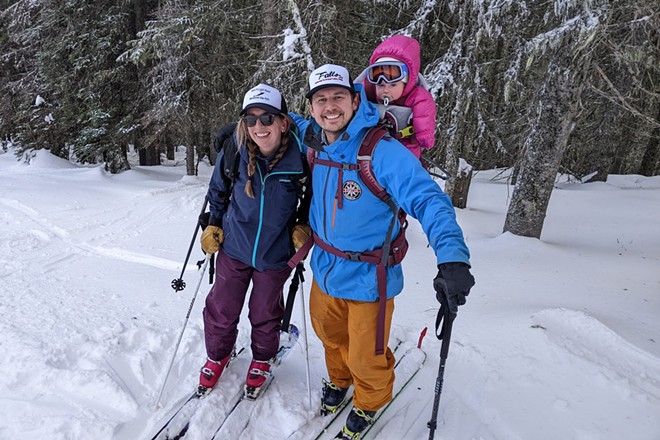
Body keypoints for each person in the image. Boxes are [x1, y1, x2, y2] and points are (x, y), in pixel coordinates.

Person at [292, 64, 474, 439]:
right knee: (329, 337)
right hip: (324, 269)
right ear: (311, 108)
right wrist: (237, 131)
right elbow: (278, 121)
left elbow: (428, 199)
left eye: (338, 97)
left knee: (366, 355)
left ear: (355, 100)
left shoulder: (380, 151)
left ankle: (370, 401)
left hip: (369, 279)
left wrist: (452, 257)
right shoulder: (314, 140)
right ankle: (340, 381)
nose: (330, 107)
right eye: (321, 99)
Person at [198, 83, 311, 398]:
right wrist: (213, 225)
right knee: (221, 306)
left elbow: (313, 199)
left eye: (267, 118)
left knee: (265, 311)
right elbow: (217, 192)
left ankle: (261, 358)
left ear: (282, 122)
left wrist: (304, 227)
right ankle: (217, 356)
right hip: (234, 247)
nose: (258, 126)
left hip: (275, 253)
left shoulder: (300, 158)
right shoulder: (233, 152)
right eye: (250, 119)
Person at [357, 35, 437, 160]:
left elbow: (425, 115)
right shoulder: (368, 90)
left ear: (407, 82)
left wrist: (424, 136)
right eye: (381, 85)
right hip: (373, 142)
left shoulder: (417, 96)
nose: (386, 90)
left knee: (405, 164)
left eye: (393, 85)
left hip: (404, 143)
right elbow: (353, 100)